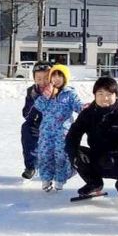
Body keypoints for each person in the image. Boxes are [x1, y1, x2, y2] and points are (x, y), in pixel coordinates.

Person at [65, 77, 118, 207]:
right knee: (74, 150)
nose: (104, 98)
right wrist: (73, 152)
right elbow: (74, 134)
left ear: (116, 95)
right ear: (94, 95)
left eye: (109, 94)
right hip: (98, 157)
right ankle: (94, 183)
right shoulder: (88, 113)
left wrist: (115, 154)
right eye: (100, 94)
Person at [34, 64, 83, 192]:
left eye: (60, 76)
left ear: (65, 78)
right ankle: (46, 179)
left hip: (63, 132)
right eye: (54, 75)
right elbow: (38, 106)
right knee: (45, 155)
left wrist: (86, 108)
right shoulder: (48, 92)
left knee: (61, 156)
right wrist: (46, 95)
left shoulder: (70, 93)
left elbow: (79, 106)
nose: (56, 78)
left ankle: (60, 180)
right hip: (46, 131)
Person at [20, 61, 52, 180]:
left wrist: (45, 129)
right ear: (34, 78)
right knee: (26, 128)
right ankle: (31, 166)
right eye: (39, 78)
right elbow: (26, 114)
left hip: (54, 125)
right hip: (37, 123)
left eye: (46, 78)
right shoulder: (32, 92)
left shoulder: (58, 91)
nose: (43, 82)